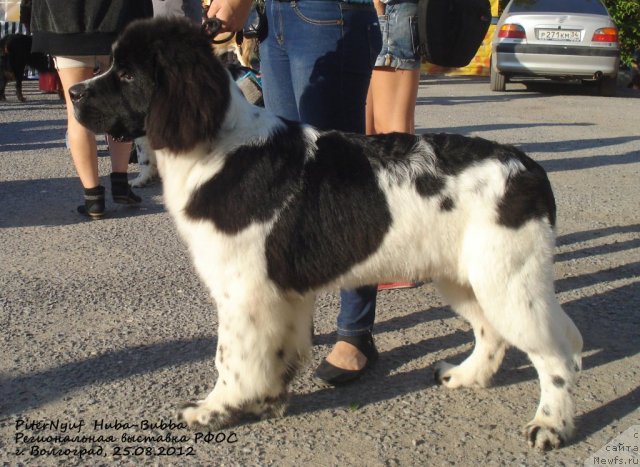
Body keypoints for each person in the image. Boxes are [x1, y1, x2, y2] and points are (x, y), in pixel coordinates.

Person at [208, 0, 382, 385]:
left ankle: (355, 330)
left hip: (327, 13)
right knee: (286, 185)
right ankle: (290, 332)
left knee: (336, 185)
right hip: (275, 16)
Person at [30, 0, 153, 219]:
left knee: (76, 112)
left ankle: (93, 198)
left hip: (63, 21)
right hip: (120, 15)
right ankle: (120, 183)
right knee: (120, 102)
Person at [367, 0, 422, 291]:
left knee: (394, 148)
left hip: (388, 13)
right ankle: (399, 255)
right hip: (387, 14)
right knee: (380, 141)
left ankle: (402, 260)